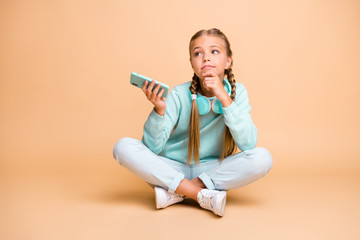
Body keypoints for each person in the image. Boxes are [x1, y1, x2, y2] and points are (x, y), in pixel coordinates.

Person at [113, 28, 273, 217]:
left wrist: (224, 98)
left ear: (228, 61)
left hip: (211, 169)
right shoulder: (180, 94)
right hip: (171, 166)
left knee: (263, 158)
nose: (206, 58)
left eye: (214, 51)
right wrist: (159, 110)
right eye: (198, 53)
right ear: (192, 64)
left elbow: (248, 144)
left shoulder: (238, 94)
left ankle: (178, 191)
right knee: (122, 147)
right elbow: (152, 149)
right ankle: (201, 195)